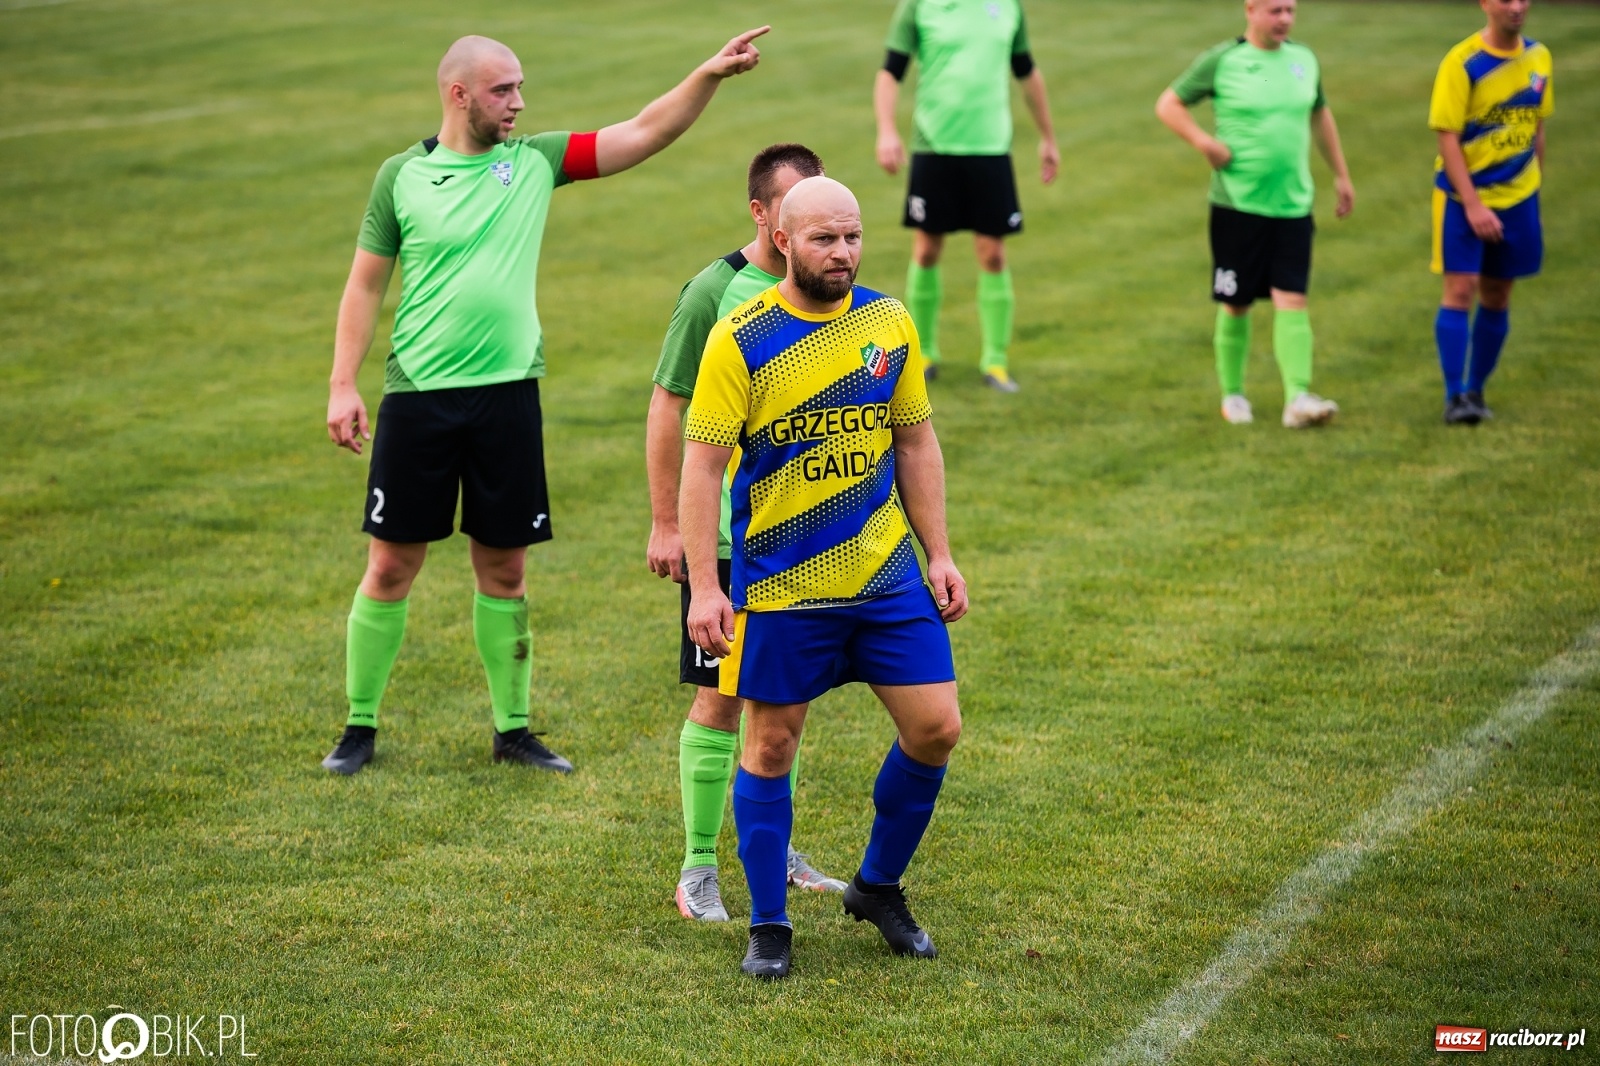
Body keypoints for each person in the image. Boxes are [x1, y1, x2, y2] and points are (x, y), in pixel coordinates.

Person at [320, 28, 769, 776]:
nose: (519, 103)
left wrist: (707, 75)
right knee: (392, 565)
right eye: (504, 91)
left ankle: (514, 731)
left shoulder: (532, 163)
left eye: (521, 88)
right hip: (418, 400)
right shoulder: (400, 177)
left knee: (506, 573)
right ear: (459, 94)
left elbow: (644, 131)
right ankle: (358, 728)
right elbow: (365, 282)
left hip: (506, 402)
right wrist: (342, 382)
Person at [680, 176, 969, 980]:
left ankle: (876, 887)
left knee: (936, 728)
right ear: (781, 240)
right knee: (769, 745)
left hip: (886, 578)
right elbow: (701, 469)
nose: (842, 254)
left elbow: (914, 441)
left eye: (852, 238)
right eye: (824, 240)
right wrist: (707, 587)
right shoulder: (741, 336)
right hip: (782, 586)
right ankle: (770, 925)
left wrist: (939, 553)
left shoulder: (887, 321)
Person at [645, 143, 848, 922]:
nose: (815, 231)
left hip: (804, 540)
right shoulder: (715, 292)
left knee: (783, 704)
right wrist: (667, 521)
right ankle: (697, 869)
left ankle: (774, 847)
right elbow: (669, 406)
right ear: (764, 216)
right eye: (797, 213)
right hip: (731, 541)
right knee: (718, 702)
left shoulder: (834, 294)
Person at [1156, 0, 1354, 429]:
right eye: (1275, 10)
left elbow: (1320, 114)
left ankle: (1297, 398)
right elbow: (1168, 104)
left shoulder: (1304, 60)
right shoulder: (1223, 61)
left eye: (1290, 10)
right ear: (1251, 9)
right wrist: (1204, 143)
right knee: (1236, 303)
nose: (1284, 19)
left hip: (1293, 203)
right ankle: (1233, 395)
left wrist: (1341, 174)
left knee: (1293, 298)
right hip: (1238, 204)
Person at [873, 0, 1059, 392]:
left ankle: (996, 362)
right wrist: (887, 129)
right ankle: (922, 356)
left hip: (990, 149)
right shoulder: (919, 7)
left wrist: (1047, 136)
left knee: (992, 253)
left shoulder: (1008, 7)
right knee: (925, 250)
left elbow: (1026, 71)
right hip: (933, 146)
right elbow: (891, 71)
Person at [1429, 0, 1552, 425]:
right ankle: (1453, 396)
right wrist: (1475, 204)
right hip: (1464, 199)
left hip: (1519, 199)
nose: (1516, 7)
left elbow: (1537, 124)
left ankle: (1477, 389)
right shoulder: (1463, 62)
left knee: (1498, 294)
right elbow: (1448, 136)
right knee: (1460, 290)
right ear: (1485, 3)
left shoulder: (1539, 57)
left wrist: (1534, 187)